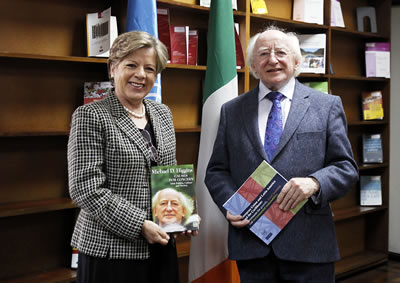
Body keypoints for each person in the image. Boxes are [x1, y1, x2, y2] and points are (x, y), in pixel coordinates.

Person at [205, 26, 359, 282]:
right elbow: (216, 170)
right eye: (263, 53)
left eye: (281, 52)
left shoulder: (327, 106)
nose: (272, 59)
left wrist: (315, 183)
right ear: (253, 64)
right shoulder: (232, 111)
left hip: (309, 245)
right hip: (252, 244)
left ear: (297, 61)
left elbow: (346, 167)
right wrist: (231, 204)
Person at [68, 31, 194, 283]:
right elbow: (85, 188)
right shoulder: (90, 116)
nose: (141, 75)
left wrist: (179, 216)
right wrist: (140, 225)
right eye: (131, 65)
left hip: (161, 243)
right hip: (111, 252)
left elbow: (169, 173)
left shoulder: (162, 113)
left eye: (149, 68)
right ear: (112, 68)